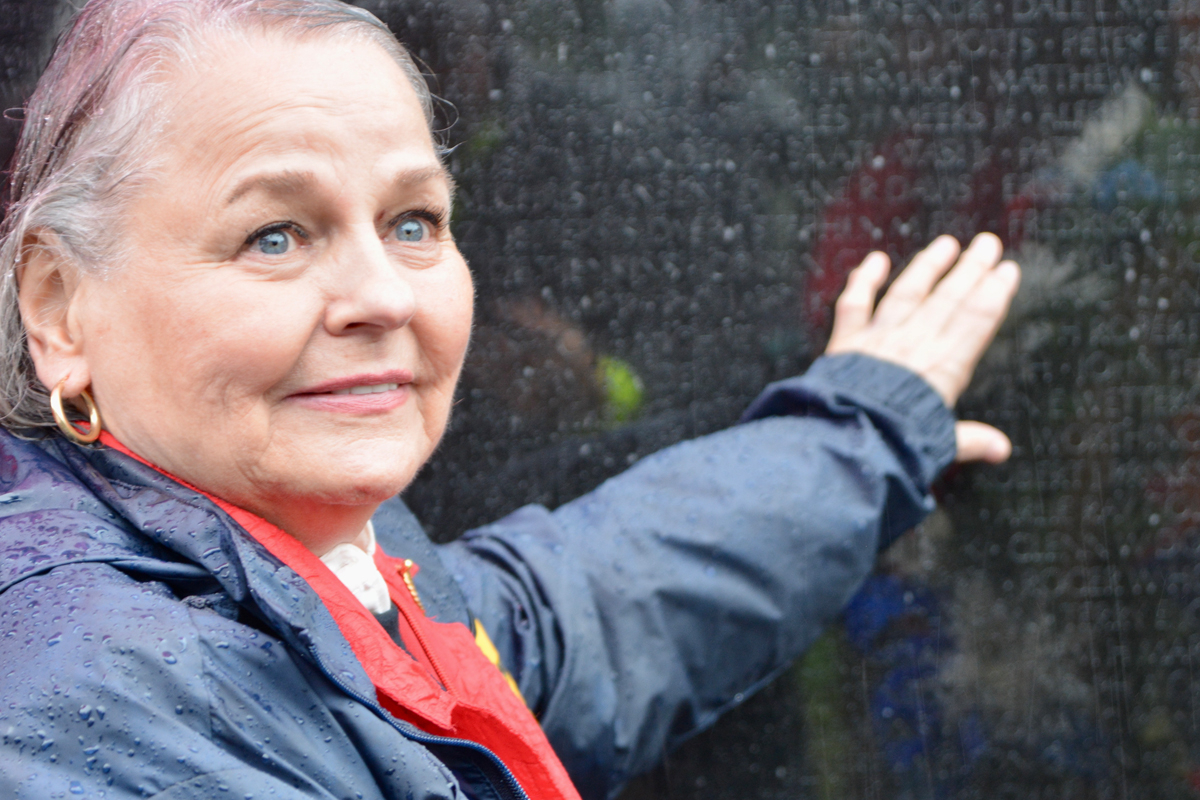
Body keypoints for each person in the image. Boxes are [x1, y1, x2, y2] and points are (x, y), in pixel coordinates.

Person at [0, 1, 1020, 798]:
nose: (384, 295)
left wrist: (864, 428)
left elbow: (571, 613)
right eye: (276, 234)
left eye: (412, 221)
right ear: (58, 306)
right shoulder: (114, 694)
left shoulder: (307, 572)